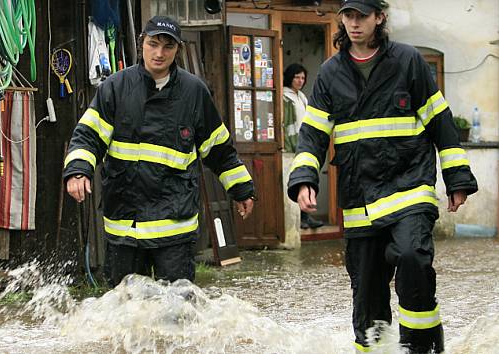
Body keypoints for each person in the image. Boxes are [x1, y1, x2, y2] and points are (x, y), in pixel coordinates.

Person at [287, 1, 478, 353]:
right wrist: (303, 178)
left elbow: (440, 122)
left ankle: (422, 348)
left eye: (362, 15)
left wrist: (457, 178)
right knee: (367, 295)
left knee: (412, 259)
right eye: (349, 16)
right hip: (359, 197)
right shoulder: (330, 73)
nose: (355, 23)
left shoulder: (408, 62)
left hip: (410, 187)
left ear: (379, 17)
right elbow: (312, 133)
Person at [64, 16, 255, 288]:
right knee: (125, 311)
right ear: (142, 43)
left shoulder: (194, 92)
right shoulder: (116, 87)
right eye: (153, 44)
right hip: (125, 224)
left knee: (177, 311)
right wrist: (78, 170)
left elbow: (218, 148)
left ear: (176, 50)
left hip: (174, 228)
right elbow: (88, 135)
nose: (159, 53)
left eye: (168, 46)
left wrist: (241, 189)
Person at [283, 63, 324, 230]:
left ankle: (307, 216)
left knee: (307, 181)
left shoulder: (302, 97)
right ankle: (301, 219)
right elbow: (288, 125)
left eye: (302, 78)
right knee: (298, 183)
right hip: (293, 147)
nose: (300, 81)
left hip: (304, 146)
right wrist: (293, 147)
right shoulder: (286, 97)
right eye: (296, 77)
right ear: (290, 78)